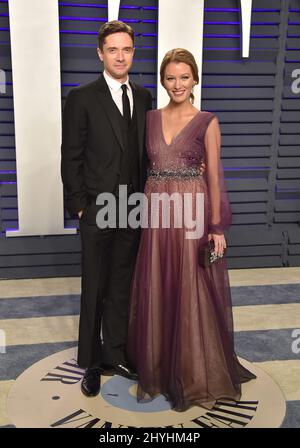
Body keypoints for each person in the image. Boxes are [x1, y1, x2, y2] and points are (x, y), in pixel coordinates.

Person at [127, 48, 257, 412]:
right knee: (158, 286)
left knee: (189, 289)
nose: (177, 84)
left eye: (184, 77)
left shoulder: (206, 121)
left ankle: (193, 371)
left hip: (191, 217)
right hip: (157, 217)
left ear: (195, 79)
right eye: (170, 77)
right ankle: (159, 367)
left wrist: (217, 226)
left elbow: (214, 177)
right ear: (163, 80)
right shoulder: (150, 118)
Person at [61, 20, 152, 397]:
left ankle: (115, 353)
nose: (120, 56)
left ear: (133, 53)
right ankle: (92, 363)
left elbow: (143, 155)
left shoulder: (145, 97)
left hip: (132, 208)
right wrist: (80, 207)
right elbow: (71, 156)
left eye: (126, 49)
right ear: (101, 53)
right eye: (112, 49)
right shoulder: (82, 96)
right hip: (97, 208)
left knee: (121, 286)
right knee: (94, 287)